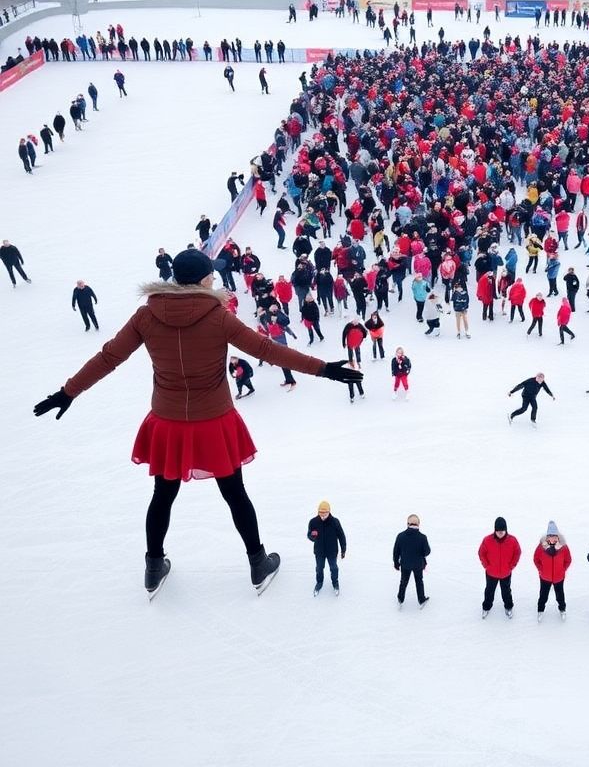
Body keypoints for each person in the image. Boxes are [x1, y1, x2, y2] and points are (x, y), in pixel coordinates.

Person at [33, 248, 361, 597]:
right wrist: (322, 369)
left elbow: (109, 356)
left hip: (168, 422)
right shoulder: (219, 317)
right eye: (212, 275)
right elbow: (266, 350)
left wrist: (69, 392)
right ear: (204, 280)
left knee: (162, 495)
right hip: (213, 422)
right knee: (235, 494)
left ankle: (154, 567)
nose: (215, 279)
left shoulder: (146, 315)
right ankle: (258, 563)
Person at [479, 516, 521, 618]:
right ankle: (486, 607)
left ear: (506, 530)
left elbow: (517, 552)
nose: (500, 533)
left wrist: (511, 566)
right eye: (498, 531)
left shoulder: (512, 540)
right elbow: (481, 553)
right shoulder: (487, 540)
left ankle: (508, 607)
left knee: (506, 591)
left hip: (506, 573)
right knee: (489, 591)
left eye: (502, 531)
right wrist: (487, 566)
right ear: (495, 530)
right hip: (491, 573)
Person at [307, 500, 347, 596]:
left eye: (325, 513)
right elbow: (309, 535)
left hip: (332, 551)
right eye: (321, 513)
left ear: (329, 512)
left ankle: (335, 582)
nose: (323, 515)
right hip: (319, 551)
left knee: (334, 568)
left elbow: (341, 536)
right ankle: (319, 583)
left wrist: (343, 549)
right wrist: (312, 536)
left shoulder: (335, 522)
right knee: (319, 568)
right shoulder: (313, 522)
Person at [534, 522, 572, 622]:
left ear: (557, 536)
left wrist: (562, 570)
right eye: (550, 536)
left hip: (559, 578)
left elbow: (568, 560)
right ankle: (540, 610)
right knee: (543, 595)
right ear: (547, 537)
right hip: (545, 577)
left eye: (555, 536)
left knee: (560, 595)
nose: (553, 538)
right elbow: (536, 559)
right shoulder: (541, 547)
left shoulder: (563, 547)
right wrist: (541, 569)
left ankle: (562, 609)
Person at [393, 513, 430, 608]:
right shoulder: (422, 537)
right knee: (419, 581)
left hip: (405, 564)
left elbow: (396, 551)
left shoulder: (400, 536)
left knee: (403, 582)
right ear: (418, 524)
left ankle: (400, 599)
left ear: (407, 523)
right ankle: (421, 599)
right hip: (418, 564)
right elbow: (427, 551)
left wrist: (396, 563)